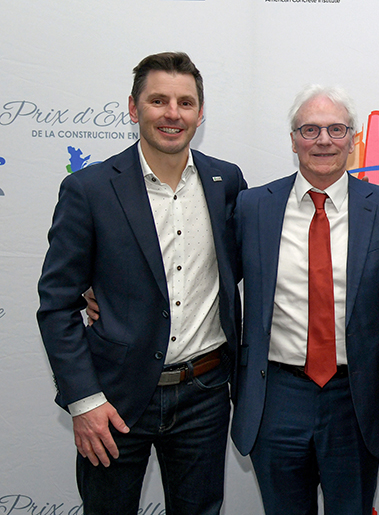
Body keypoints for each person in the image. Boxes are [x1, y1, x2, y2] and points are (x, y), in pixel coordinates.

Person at [37, 52, 246, 515]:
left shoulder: (226, 181)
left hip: (205, 393)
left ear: (200, 113)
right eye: (158, 100)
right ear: (133, 108)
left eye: (185, 102)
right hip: (113, 399)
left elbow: (249, 261)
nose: (173, 113)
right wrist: (83, 401)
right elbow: (56, 304)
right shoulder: (89, 189)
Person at [229, 85, 379, 515]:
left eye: (336, 129)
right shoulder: (253, 206)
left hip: (357, 395)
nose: (324, 140)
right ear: (293, 140)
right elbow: (210, 275)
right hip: (276, 393)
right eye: (310, 130)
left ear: (353, 139)